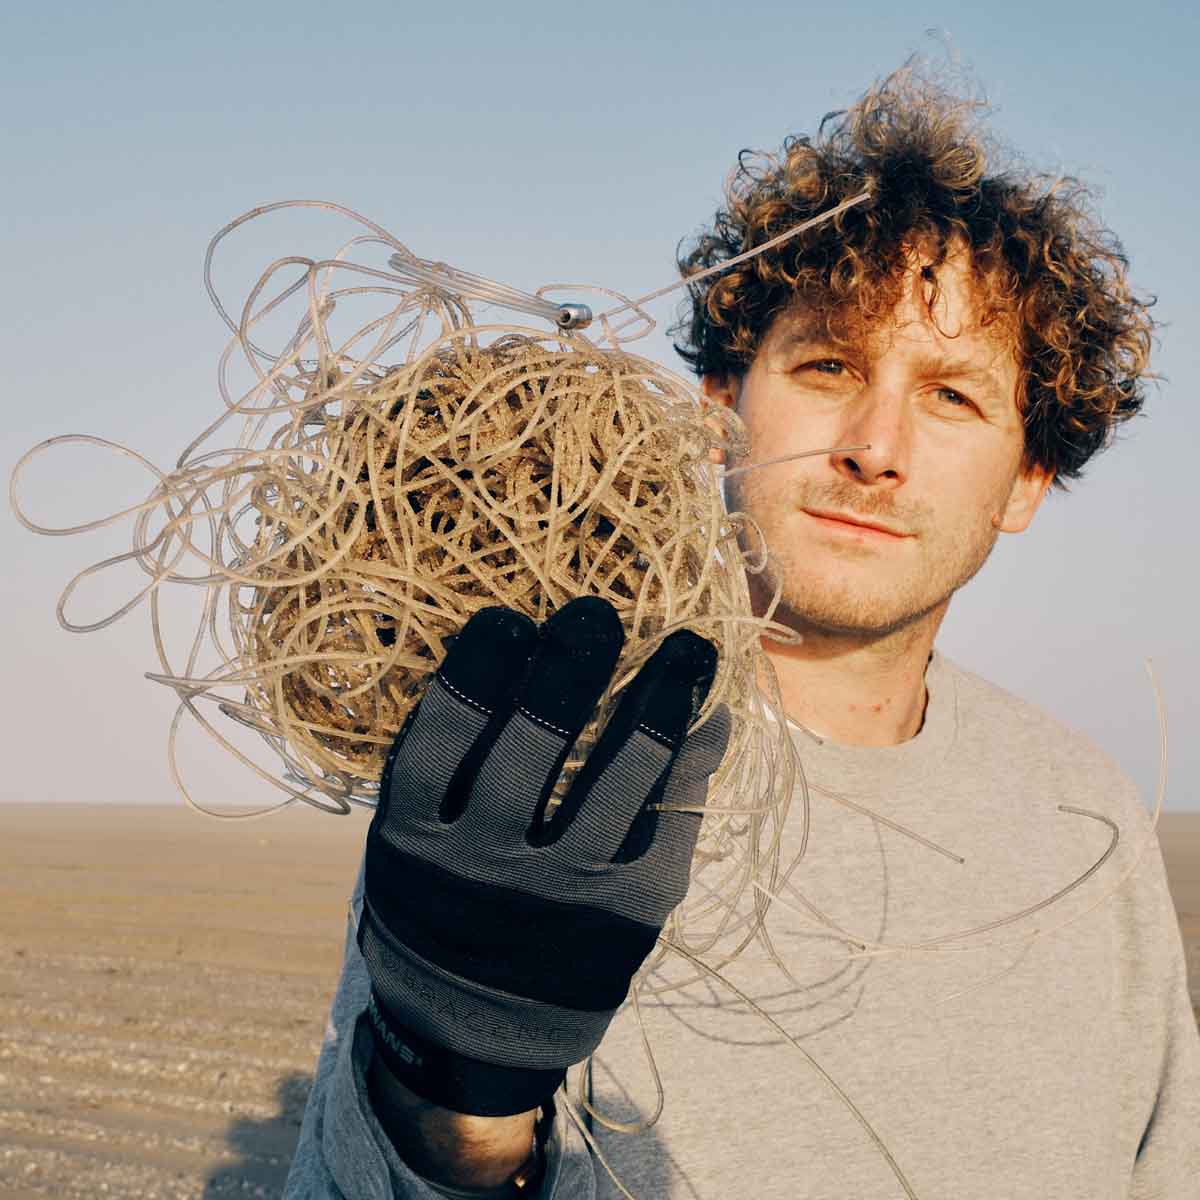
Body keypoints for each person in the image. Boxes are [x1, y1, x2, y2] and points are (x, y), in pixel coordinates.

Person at [283, 67, 1200, 1199]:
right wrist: (455, 1089)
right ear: (721, 411)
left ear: (1026, 479)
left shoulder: (1084, 814)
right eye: (828, 367)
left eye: (953, 397)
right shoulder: (549, 773)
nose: (875, 445)